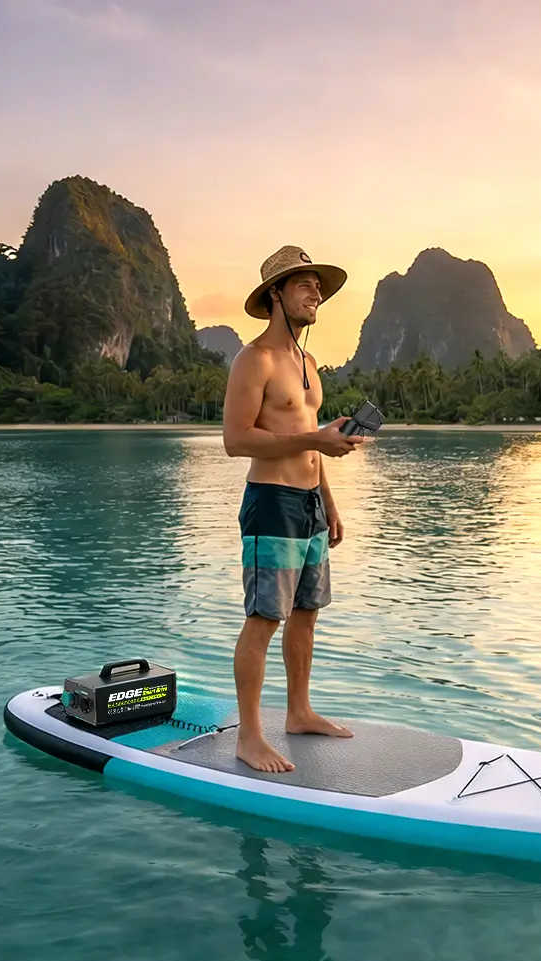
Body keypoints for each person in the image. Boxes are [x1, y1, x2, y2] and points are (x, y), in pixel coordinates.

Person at [222, 245, 364, 773]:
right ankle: (250, 737)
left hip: (309, 505)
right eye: (304, 284)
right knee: (264, 619)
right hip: (272, 503)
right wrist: (314, 438)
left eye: (317, 285)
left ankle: (299, 712)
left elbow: (310, 439)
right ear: (275, 295)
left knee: (307, 613)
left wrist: (329, 501)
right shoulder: (253, 359)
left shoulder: (308, 365)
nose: (316, 293)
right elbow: (236, 439)